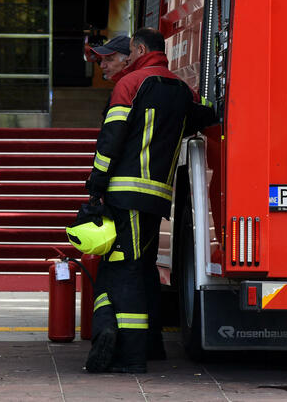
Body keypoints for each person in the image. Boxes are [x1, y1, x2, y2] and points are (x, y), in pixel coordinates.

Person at [84, 28, 215, 374]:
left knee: (125, 268)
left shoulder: (130, 85)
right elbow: (204, 116)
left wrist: (96, 184)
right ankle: (151, 344)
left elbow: (110, 140)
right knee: (143, 267)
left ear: (139, 49)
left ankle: (131, 356)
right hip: (158, 197)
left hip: (125, 193)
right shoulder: (179, 88)